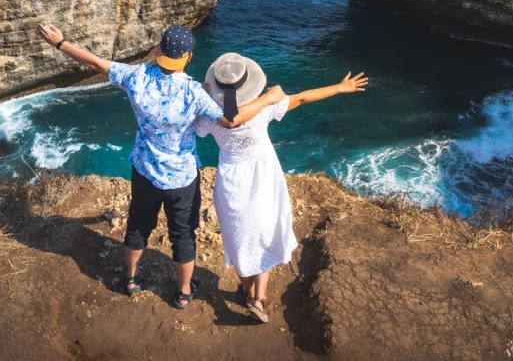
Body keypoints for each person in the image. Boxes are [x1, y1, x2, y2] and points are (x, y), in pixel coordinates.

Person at [37, 23, 284, 310]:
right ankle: (183, 292)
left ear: (160, 51)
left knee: (138, 227)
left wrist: (61, 42)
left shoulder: (137, 75)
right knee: (183, 236)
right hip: (181, 180)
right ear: (189, 57)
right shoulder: (194, 92)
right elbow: (230, 118)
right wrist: (268, 98)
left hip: (145, 171)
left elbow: (94, 62)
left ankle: (130, 279)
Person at [196, 53, 368, 324]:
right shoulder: (264, 107)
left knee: (238, 237)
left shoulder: (209, 115)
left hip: (231, 180)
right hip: (264, 175)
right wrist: (338, 87)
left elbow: (204, 121)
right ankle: (259, 298)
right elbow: (302, 98)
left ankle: (246, 289)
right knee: (266, 230)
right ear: (247, 83)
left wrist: (203, 93)